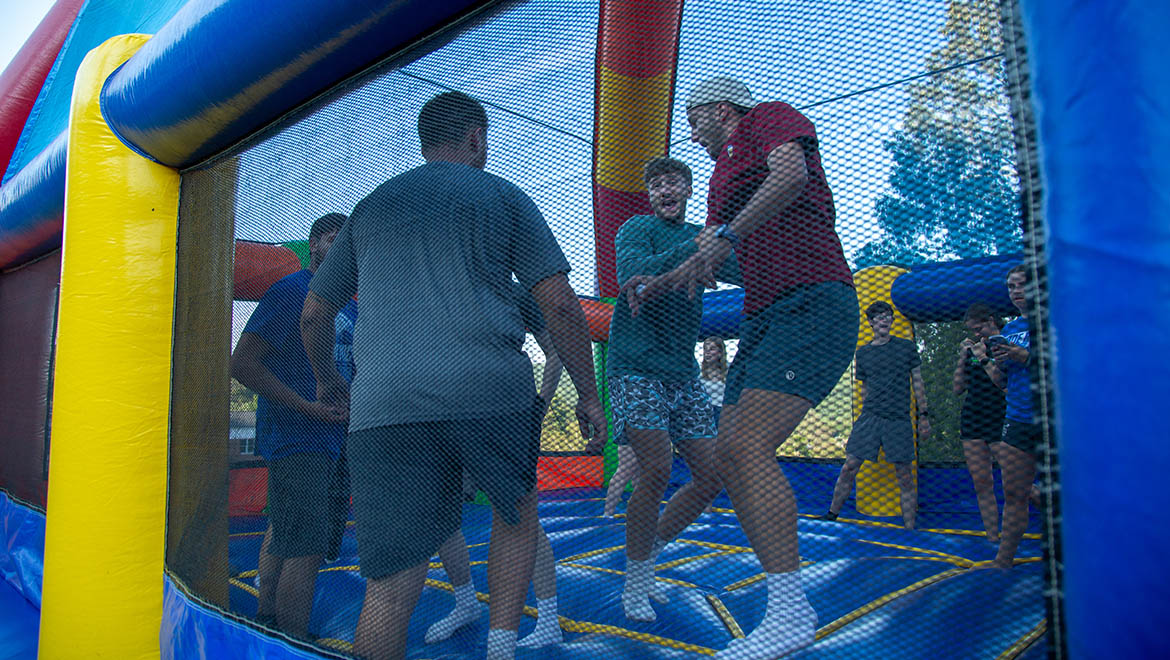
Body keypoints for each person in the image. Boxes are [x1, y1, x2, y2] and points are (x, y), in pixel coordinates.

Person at [300, 91, 606, 660]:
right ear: (475, 137)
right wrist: (589, 395)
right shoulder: (502, 195)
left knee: (389, 588)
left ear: (423, 140)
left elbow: (315, 313)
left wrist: (328, 381)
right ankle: (501, 649)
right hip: (490, 395)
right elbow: (560, 304)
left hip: (386, 408)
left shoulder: (370, 208)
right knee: (514, 516)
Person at [626, 76, 858, 659]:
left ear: (720, 106)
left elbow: (791, 176)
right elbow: (714, 258)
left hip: (810, 298)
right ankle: (783, 605)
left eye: (694, 117)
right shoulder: (714, 184)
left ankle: (789, 612)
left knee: (747, 448)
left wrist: (723, 235)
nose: (690, 129)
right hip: (762, 315)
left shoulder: (767, 119)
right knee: (728, 455)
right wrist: (674, 277)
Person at [607, 156, 738, 623]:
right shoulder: (635, 228)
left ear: (687, 189)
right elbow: (635, 278)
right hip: (636, 366)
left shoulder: (704, 234)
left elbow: (743, 267)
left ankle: (649, 551)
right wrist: (697, 253)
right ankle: (635, 580)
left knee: (710, 476)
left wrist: (729, 241)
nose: (665, 190)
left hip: (682, 373)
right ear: (650, 193)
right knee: (656, 468)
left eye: (674, 183)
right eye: (657, 184)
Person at [230, 212, 356, 638]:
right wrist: (307, 406)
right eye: (334, 239)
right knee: (305, 548)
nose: (342, 249)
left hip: (332, 440)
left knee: (284, 530)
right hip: (297, 436)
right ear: (315, 243)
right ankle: (294, 641)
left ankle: (267, 614)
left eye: (348, 243)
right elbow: (243, 364)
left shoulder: (348, 306)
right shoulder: (291, 292)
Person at [425, 282, 565, 649]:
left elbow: (555, 350)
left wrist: (541, 405)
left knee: (521, 517)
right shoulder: (441, 287)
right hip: (450, 414)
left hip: (506, 416)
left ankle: (549, 620)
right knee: (440, 514)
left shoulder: (517, 293)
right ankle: (466, 602)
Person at [821, 301, 931, 530]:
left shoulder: (906, 347)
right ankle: (831, 515)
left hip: (898, 419)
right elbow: (864, 388)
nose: (884, 319)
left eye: (887, 316)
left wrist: (924, 415)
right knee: (849, 466)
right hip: (870, 417)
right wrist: (864, 416)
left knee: (904, 475)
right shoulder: (863, 353)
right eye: (879, 317)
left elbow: (918, 381)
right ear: (871, 322)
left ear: (891, 321)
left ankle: (910, 528)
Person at [971, 264, 1040, 569]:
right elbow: (1003, 382)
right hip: (1018, 419)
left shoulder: (1057, 321)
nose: (1016, 291)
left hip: (1055, 424)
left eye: (1022, 284)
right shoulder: (1011, 329)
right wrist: (988, 360)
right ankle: (1004, 559)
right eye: (1011, 286)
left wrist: (1021, 355)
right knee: (1014, 493)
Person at [954, 303, 1007, 542]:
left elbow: (1003, 384)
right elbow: (957, 388)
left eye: (978, 329)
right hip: (973, 417)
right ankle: (992, 537)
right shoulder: (973, 349)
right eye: (972, 330)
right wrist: (962, 357)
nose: (976, 334)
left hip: (1001, 417)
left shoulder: (1005, 343)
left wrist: (982, 356)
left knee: (1016, 480)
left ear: (991, 321)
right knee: (982, 481)